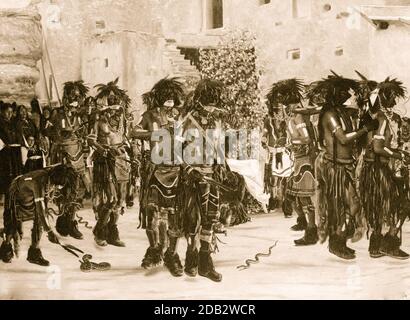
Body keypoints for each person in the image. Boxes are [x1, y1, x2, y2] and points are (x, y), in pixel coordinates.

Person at [308, 72, 379, 260]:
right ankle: (336, 243)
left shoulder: (342, 112)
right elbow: (343, 139)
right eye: (342, 92)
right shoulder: (330, 115)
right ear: (334, 94)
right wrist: (365, 129)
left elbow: (362, 114)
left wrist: (366, 109)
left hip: (345, 166)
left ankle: (340, 240)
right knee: (340, 207)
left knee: (351, 205)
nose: (347, 95)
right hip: (334, 168)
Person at [129, 77, 185, 274]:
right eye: (167, 97)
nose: (170, 101)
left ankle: (172, 254)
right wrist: (154, 135)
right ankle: (154, 250)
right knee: (152, 214)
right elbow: (134, 131)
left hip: (177, 170)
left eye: (173, 98)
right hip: (155, 170)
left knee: (174, 216)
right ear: (161, 98)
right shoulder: (150, 115)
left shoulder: (181, 116)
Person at [179, 79, 227, 282]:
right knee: (192, 221)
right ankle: (191, 257)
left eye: (213, 105)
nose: (211, 108)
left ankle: (205, 263)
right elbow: (174, 150)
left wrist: (221, 164)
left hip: (211, 176)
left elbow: (219, 146)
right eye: (208, 104)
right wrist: (189, 169)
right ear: (200, 101)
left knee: (209, 219)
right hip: (193, 178)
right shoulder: (187, 120)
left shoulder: (216, 121)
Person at [358, 77, 410, 259]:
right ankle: (389, 243)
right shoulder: (383, 118)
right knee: (400, 204)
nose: (394, 99)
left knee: (379, 207)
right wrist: (400, 155)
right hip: (378, 170)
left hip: (375, 168)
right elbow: (379, 148)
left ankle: (376, 245)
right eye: (392, 95)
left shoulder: (380, 116)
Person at [267, 79, 319, 245]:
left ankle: (311, 231)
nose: (283, 109)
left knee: (304, 198)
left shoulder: (297, 118)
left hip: (304, 162)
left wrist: (290, 143)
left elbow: (306, 138)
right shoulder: (295, 117)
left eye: (284, 105)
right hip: (298, 161)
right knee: (292, 196)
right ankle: (304, 223)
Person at [88, 78, 132, 247]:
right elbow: (91, 139)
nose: (115, 111)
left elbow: (126, 138)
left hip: (121, 161)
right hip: (105, 162)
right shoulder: (99, 122)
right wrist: (103, 150)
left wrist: (129, 148)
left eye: (117, 107)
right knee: (111, 199)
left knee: (120, 200)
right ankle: (100, 230)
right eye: (112, 107)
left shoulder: (122, 122)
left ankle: (112, 233)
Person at [0, 165, 74, 265]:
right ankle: (6, 247)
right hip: (16, 196)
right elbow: (41, 208)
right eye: (56, 185)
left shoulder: (50, 175)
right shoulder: (38, 182)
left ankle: (34, 254)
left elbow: (43, 208)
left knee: (40, 221)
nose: (56, 188)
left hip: (30, 197)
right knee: (12, 224)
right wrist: (50, 231)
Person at [49, 80, 90, 239]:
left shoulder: (80, 114)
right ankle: (61, 220)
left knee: (77, 189)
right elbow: (47, 131)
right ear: (66, 97)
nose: (75, 98)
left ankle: (72, 222)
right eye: (72, 95)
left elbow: (84, 132)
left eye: (78, 96)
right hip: (62, 153)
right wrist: (59, 134)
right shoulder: (57, 113)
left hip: (78, 154)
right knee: (63, 189)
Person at [262, 89, 289, 215]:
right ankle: (274, 200)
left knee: (285, 177)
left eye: (280, 104)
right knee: (273, 178)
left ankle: (285, 203)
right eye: (275, 104)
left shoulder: (287, 120)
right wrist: (263, 140)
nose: (278, 107)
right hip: (272, 151)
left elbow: (289, 133)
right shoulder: (268, 119)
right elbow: (265, 133)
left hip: (284, 151)